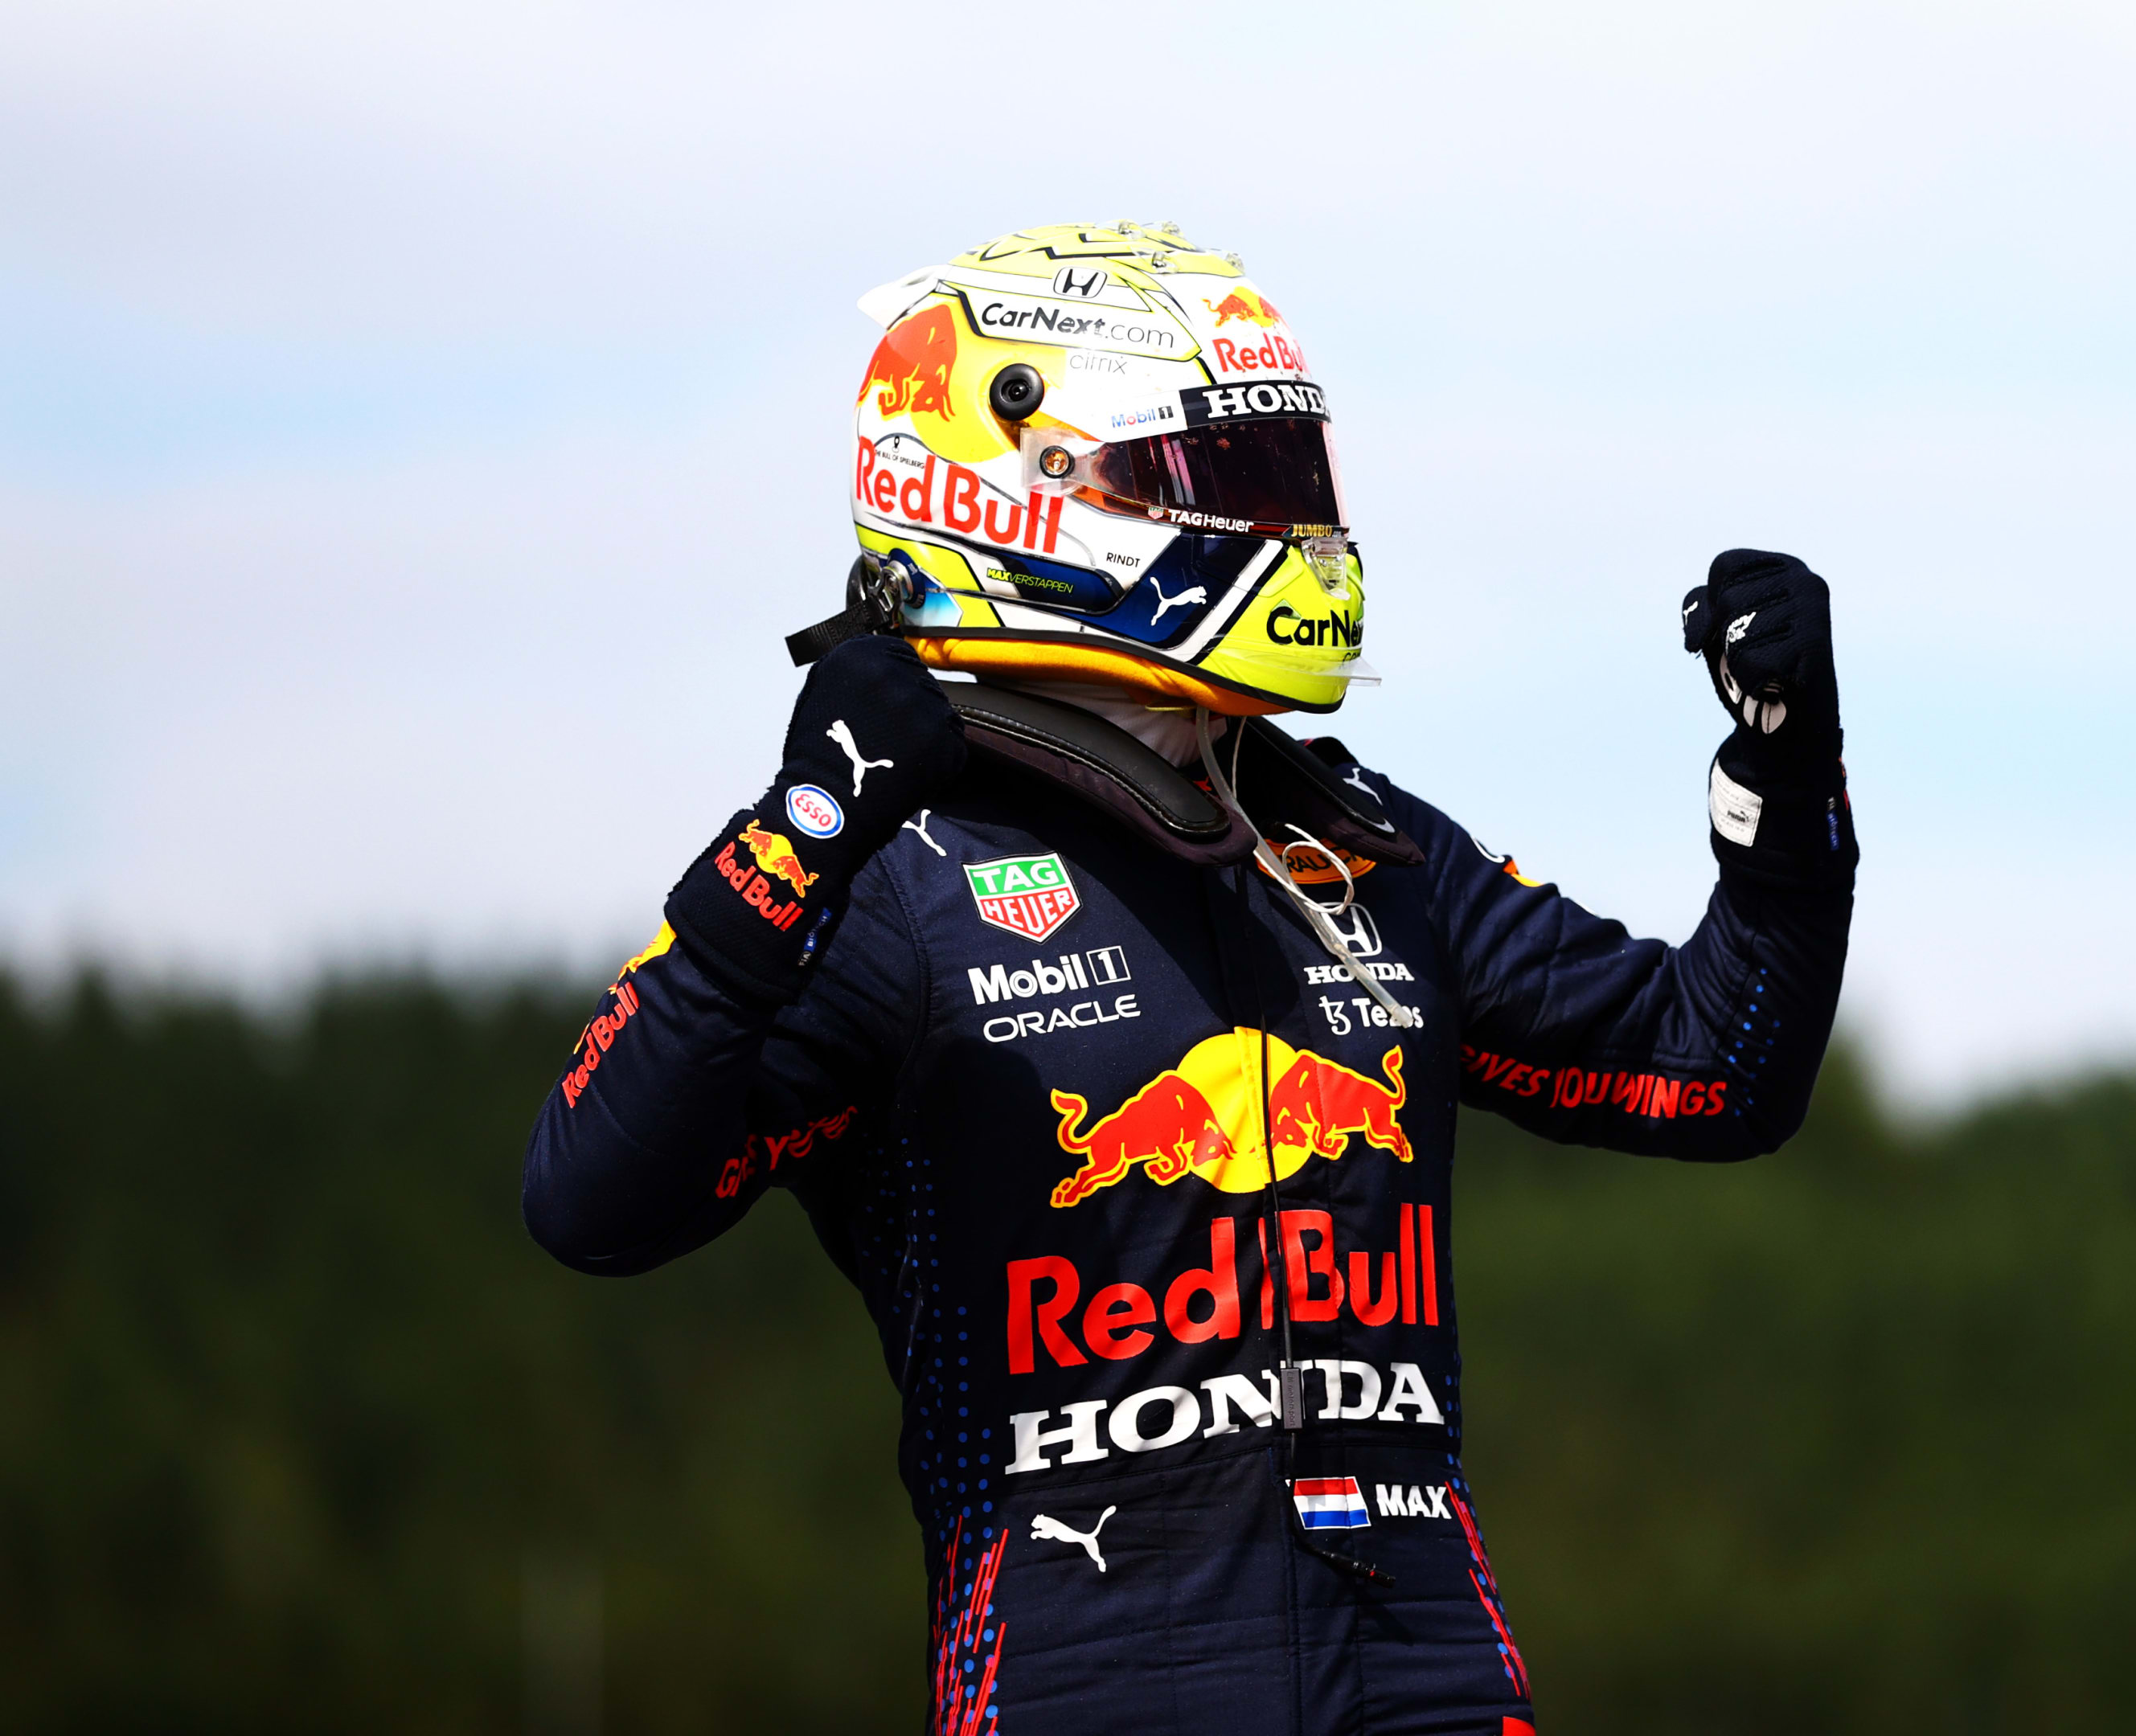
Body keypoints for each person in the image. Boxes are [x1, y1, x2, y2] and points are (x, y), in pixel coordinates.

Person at [523, 220, 1856, 1734]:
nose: (1288, 523)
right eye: (1224, 477)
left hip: (1430, 1685)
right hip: (1091, 1687)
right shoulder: (890, 882)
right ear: (1018, 485)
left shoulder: (1364, 842)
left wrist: (1788, 768)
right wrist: (801, 831)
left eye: (1293, 473)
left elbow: (1723, 1067)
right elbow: (590, 1203)